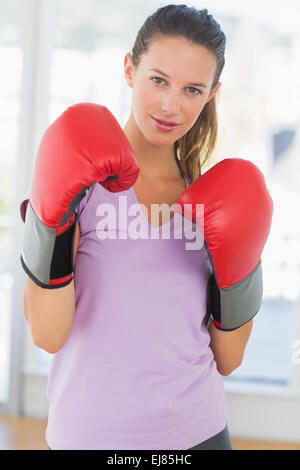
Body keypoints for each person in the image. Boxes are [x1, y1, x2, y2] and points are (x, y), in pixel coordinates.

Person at [20, 5, 272, 450]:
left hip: (200, 434)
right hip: (92, 438)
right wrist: (54, 222)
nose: (171, 105)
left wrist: (241, 266)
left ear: (212, 94)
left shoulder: (215, 200)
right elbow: (46, 335)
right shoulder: (81, 183)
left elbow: (228, 359)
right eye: (159, 79)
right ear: (129, 69)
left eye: (192, 89)